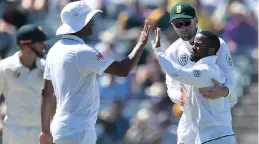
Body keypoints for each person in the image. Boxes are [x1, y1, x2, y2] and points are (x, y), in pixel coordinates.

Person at [39, 1, 150, 144]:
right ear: (80, 23)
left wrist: (45, 130)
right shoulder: (82, 51)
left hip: (59, 128)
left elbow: (47, 93)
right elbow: (123, 69)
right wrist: (141, 44)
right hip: (78, 131)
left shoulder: (54, 51)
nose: (92, 22)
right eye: (89, 19)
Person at [162, 2, 236, 144]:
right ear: (173, 26)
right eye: (178, 24)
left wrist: (224, 92)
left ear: (196, 21)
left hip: (216, 120)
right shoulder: (172, 52)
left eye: (186, 22)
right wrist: (179, 96)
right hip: (189, 122)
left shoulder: (217, 44)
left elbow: (230, 76)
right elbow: (171, 86)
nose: (182, 28)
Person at [0, 24, 47, 144]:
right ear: (25, 44)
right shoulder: (5, 67)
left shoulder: (47, 67)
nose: (43, 45)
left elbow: (53, 98)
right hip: (14, 131)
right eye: (39, 42)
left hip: (40, 131)